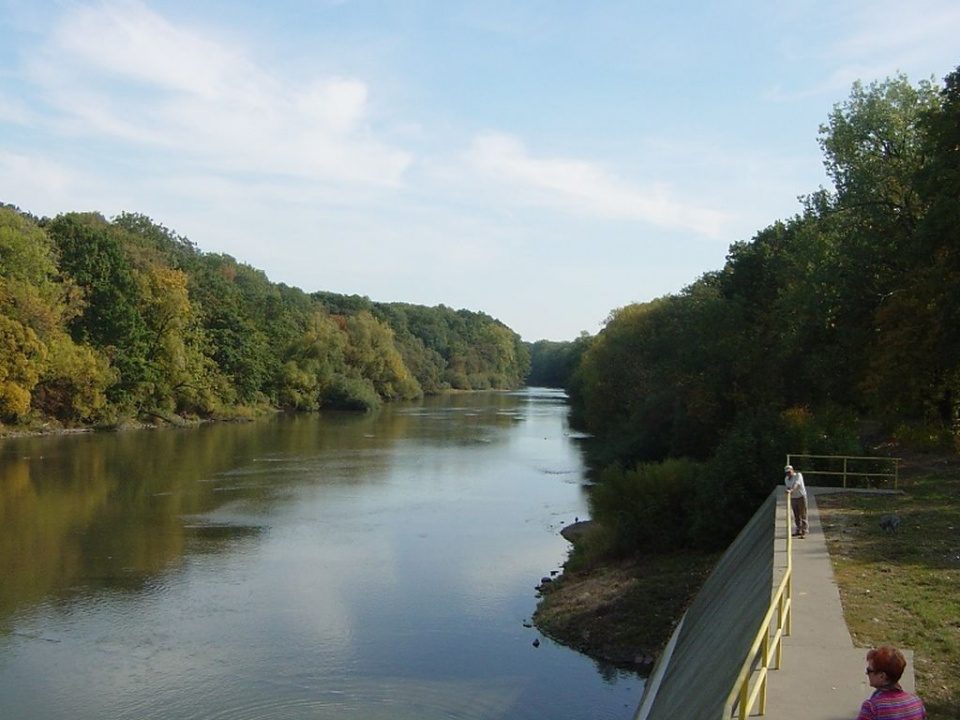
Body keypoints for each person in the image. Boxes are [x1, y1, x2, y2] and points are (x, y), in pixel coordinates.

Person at [857, 645, 927, 719]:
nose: (866, 673)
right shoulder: (916, 703)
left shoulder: (872, 708)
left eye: (869, 670)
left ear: (882, 676)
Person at [784, 464, 808, 537]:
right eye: (787, 472)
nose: (788, 474)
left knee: (803, 514)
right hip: (793, 498)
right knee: (796, 515)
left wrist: (791, 490)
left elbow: (796, 484)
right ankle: (798, 529)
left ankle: (804, 531)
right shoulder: (786, 479)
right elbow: (788, 487)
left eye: (789, 472)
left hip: (801, 496)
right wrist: (788, 491)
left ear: (792, 470)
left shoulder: (798, 475)